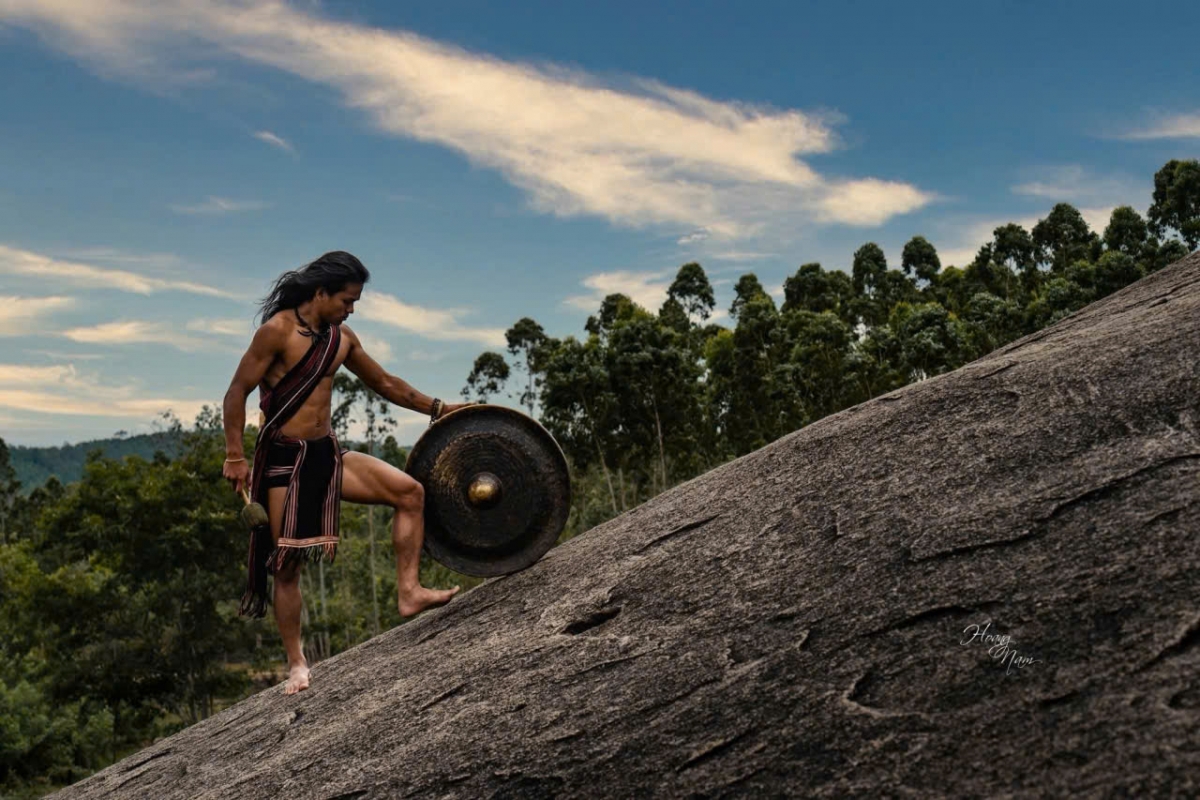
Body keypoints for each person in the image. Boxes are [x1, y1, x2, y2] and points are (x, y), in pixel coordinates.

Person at [222, 251, 467, 695]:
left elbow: (386, 384)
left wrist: (439, 409)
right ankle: (297, 663)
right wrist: (235, 454)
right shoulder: (276, 332)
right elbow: (236, 391)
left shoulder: (342, 339)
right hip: (283, 460)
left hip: (326, 455)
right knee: (287, 566)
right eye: (347, 300)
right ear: (321, 293)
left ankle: (409, 591)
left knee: (409, 493)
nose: (351, 309)